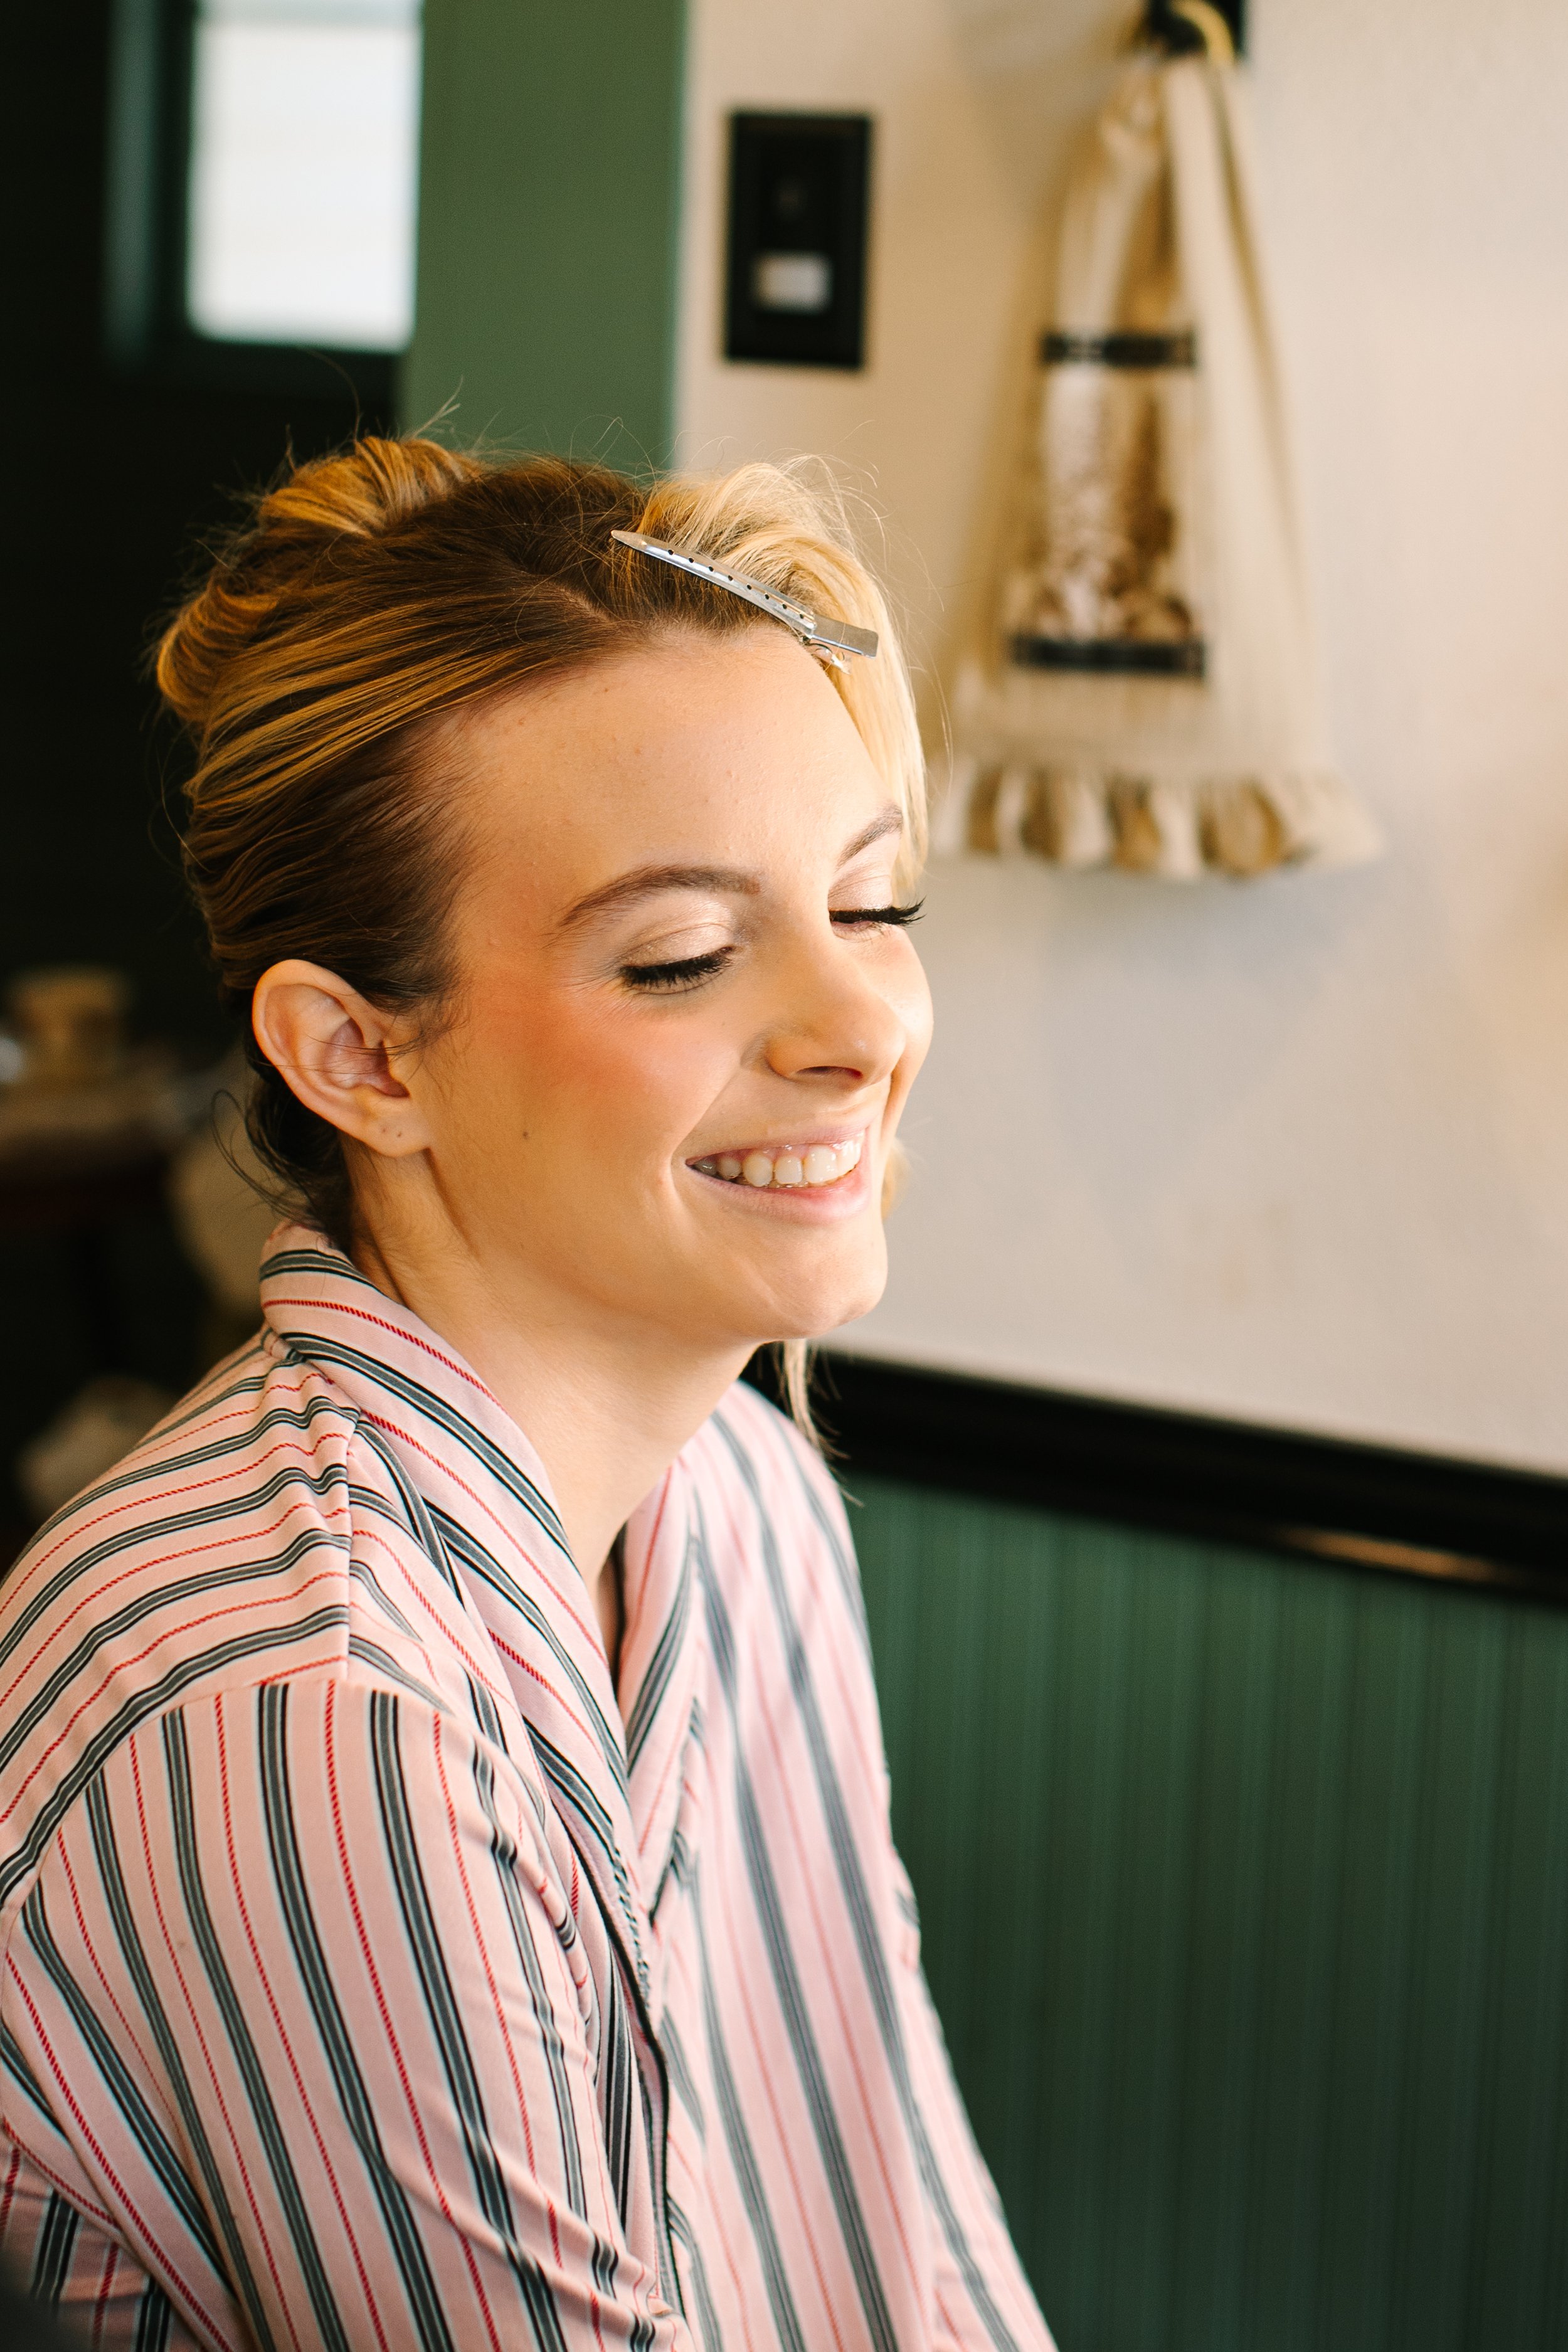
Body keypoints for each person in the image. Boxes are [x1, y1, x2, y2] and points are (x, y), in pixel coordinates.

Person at [0, 440, 1053, 2352]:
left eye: (870, 905)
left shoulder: (744, 1498)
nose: (858, 1028)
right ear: (359, 1058)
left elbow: (907, 2228)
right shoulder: (306, 1707)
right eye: (681, 956)